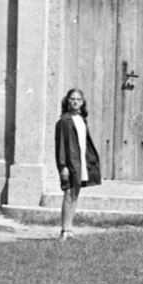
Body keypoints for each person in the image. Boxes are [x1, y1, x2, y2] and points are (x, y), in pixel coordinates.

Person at [54, 87, 100, 239]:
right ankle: (64, 231)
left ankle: (70, 229)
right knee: (68, 194)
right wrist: (63, 166)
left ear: (82, 102)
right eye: (72, 99)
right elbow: (60, 146)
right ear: (67, 101)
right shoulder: (64, 121)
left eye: (78, 99)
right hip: (70, 164)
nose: (75, 102)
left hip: (80, 162)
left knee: (75, 195)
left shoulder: (82, 120)